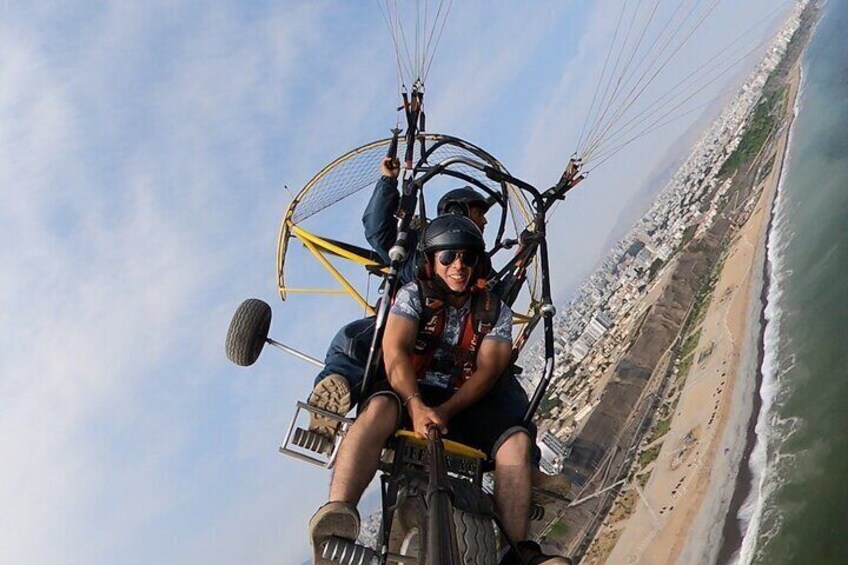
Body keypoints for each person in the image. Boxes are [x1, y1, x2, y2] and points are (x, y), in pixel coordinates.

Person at [308, 215, 567, 565]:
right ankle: (338, 512)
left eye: (466, 257)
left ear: (478, 261)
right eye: (448, 257)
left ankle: (518, 551)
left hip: (459, 406)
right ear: (431, 261)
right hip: (410, 393)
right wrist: (415, 405)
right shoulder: (414, 296)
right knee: (380, 406)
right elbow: (395, 351)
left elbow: (489, 370)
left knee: (517, 441)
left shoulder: (494, 312)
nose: (458, 266)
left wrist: (445, 411)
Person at [307, 156, 496, 437]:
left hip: (454, 339)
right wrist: (388, 182)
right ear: (458, 210)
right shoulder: (418, 240)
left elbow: (494, 305)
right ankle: (335, 393)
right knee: (355, 340)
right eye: (479, 213)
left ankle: (519, 450)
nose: (485, 220)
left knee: (503, 381)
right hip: (408, 323)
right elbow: (378, 231)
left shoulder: (479, 263)